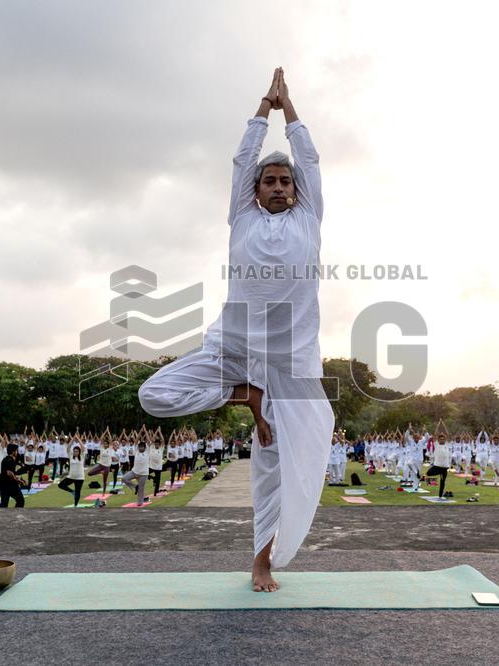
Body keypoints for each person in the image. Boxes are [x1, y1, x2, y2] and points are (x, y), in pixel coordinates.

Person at [139, 68, 335, 593]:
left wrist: (291, 112)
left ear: (296, 190)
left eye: (285, 181)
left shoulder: (309, 217)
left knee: (287, 465)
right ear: (255, 190)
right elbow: (242, 161)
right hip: (233, 347)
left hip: (290, 365)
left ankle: (262, 561)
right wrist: (263, 109)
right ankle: (247, 394)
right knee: (153, 395)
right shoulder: (242, 218)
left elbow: (311, 161)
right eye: (269, 181)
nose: (278, 186)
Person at [58, 441, 86, 506]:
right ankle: (72, 491)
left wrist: (78, 439)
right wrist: (73, 439)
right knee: (60, 485)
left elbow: (83, 448)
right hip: (71, 477)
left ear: (79, 452)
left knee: (78, 492)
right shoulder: (71, 456)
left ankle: (75, 505)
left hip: (80, 478)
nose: (75, 452)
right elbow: (68, 448)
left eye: (77, 451)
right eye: (74, 451)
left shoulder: (82, 456)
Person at [0, 444, 25, 508]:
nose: (17, 452)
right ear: (13, 452)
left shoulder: (6, 459)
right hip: (10, 485)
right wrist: (17, 480)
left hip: (4, 484)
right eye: (16, 451)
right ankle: (16, 513)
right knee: (20, 501)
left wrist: (17, 478)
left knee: (4, 504)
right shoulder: (10, 460)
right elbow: (9, 473)